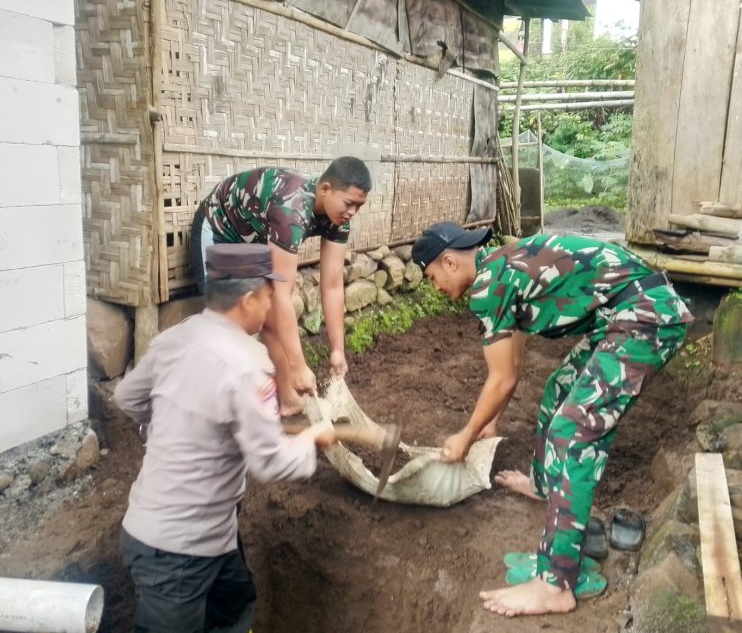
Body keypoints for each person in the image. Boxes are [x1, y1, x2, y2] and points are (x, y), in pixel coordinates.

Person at [411, 222, 692, 618]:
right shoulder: (503, 266)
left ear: (449, 261)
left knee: (572, 433)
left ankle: (555, 584)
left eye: (432, 276)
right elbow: (513, 365)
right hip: (622, 313)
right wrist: (493, 421)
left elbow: (502, 376)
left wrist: (466, 435)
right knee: (559, 389)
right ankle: (545, 486)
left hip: (643, 318)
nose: (435, 286)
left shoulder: (488, 286)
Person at [114, 244, 337, 633]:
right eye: (269, 297)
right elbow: (270, 462)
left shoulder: (175, 340)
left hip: (175, 531)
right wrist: (313, 438)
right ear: (249, 299)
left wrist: (178, 421)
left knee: (235, 603)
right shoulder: (247, 366)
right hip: (178, 553)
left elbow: (127, 398)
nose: (270, 307)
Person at [190, 157, 372, 416]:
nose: (353, 211)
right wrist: (298, 366)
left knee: (272, 319)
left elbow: (332, 285)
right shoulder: (291, 210)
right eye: (349, 203)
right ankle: (191, 406)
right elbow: (282, 295)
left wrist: (337, 350)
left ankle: (287, 399)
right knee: (225, 326)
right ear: (325, 190)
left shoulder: (339, 218)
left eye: (359, 205)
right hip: (220, 228)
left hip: (253, 238)